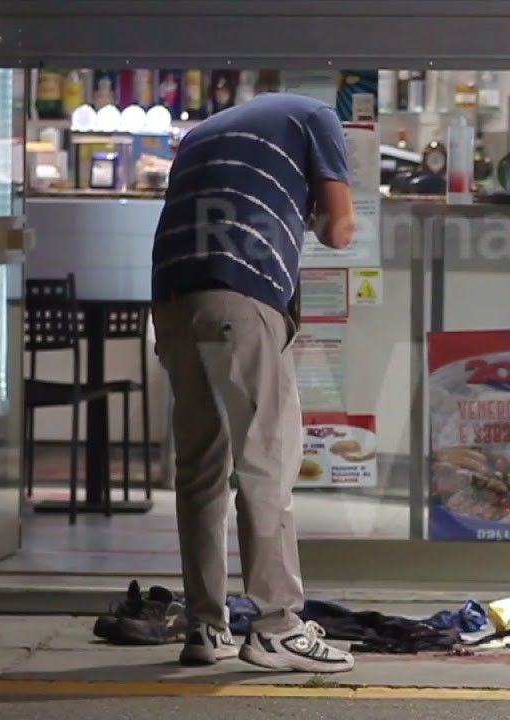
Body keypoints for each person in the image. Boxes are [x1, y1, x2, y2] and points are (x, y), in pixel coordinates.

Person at [150, 92, 357, 673]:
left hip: (172, 295)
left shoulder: (202, 133)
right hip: (240, 294)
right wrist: (310, 208)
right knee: (267, 461)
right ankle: (277, 626)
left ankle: (205, 625)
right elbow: (340, 231)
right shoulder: (318, 117)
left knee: (200, 467)